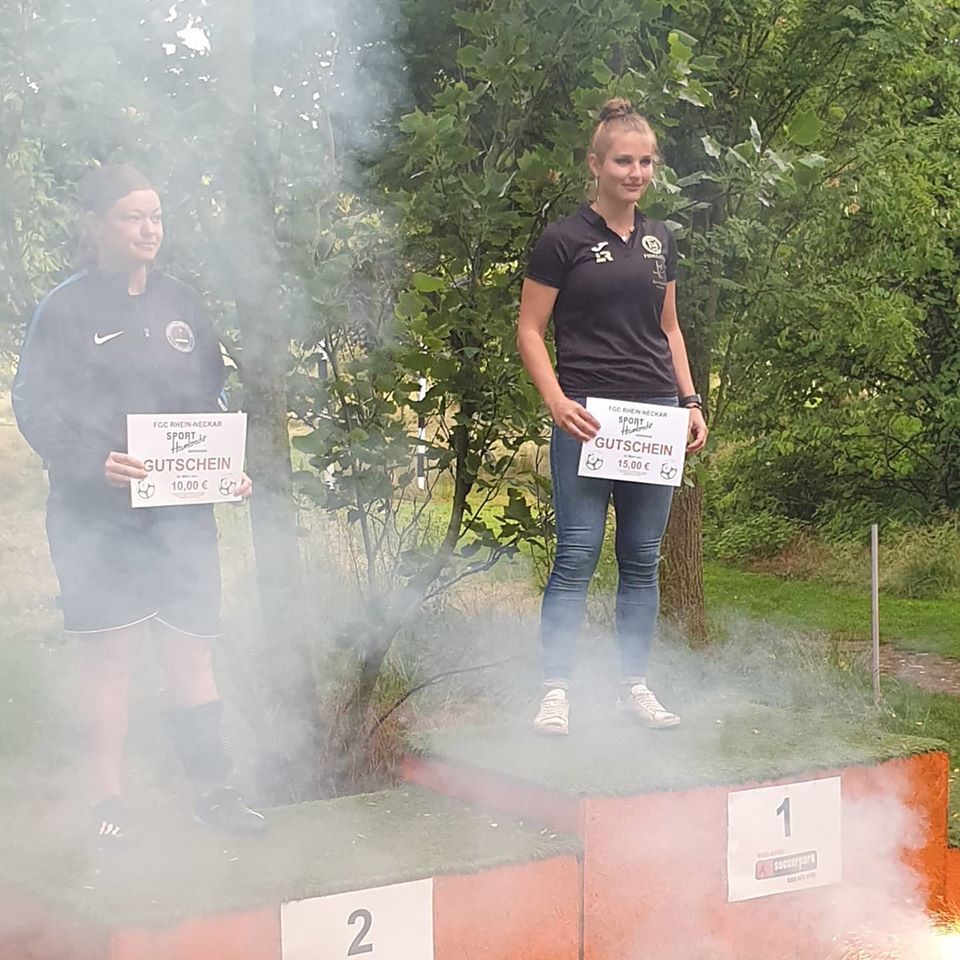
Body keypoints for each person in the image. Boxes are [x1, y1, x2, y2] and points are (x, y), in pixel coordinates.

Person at [12, 164, 266, 842]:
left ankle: (215, 795)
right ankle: (107, 807)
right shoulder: (65, 309)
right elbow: (32, 404)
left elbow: (209, 397)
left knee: (190, 652)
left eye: (155, 215)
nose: (149, 228)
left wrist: (223, 466)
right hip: (95, 517)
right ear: (96, 226)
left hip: (181, 516)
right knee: (109, 659)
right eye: (133, 216)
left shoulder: (182, 303)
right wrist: (90, 462)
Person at [517, 99, 708, 736]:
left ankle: (634, 686)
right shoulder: (562, 240)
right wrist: (556, 401)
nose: (636, 173)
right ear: (595, 164)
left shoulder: (660, 240)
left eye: (645, 162)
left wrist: (689, 402)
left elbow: (670, 328)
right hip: (587, 418)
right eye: (623, 161)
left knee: (642, 558)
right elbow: (529, 329)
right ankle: (555, 691)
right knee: (576, 554)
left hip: (655, 414)